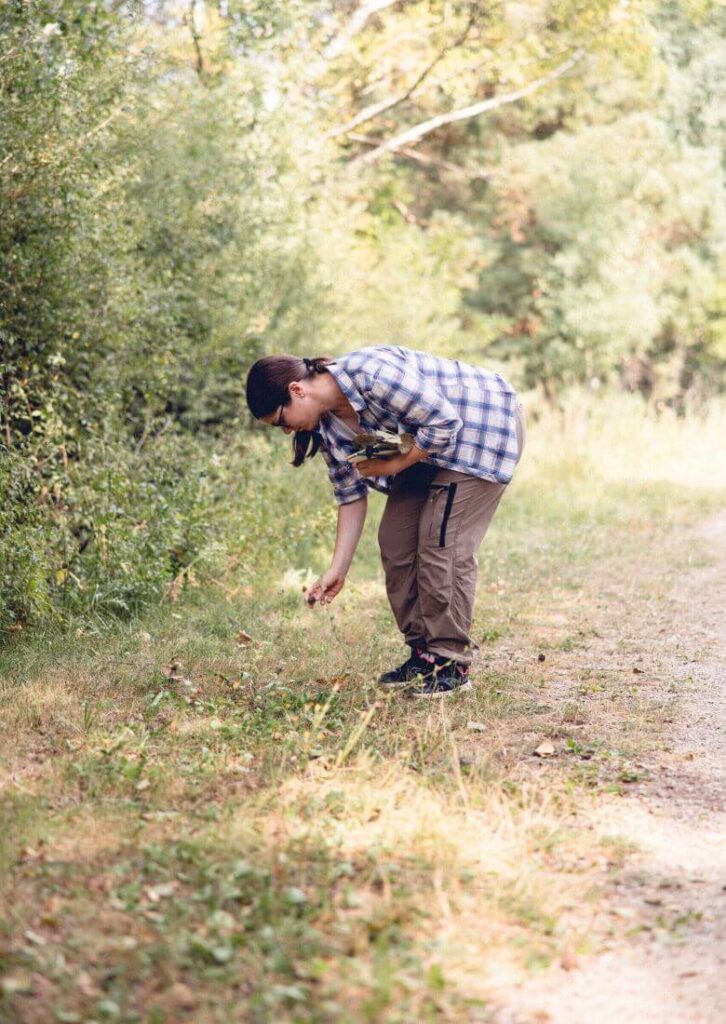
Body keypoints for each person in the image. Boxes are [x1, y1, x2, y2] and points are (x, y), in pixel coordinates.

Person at [245, 345, 526, 697]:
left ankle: (451, 662)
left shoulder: (371, 373)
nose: (287, 432)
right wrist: (338, 569)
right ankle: (425, 655)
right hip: (428, 450)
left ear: (297, 390)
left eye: (282, 421)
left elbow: (445, 421)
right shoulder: (329, 428)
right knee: (396, 541)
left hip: (482, 429)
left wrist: (393, 465)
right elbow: (349, 497)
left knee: (441, 542)